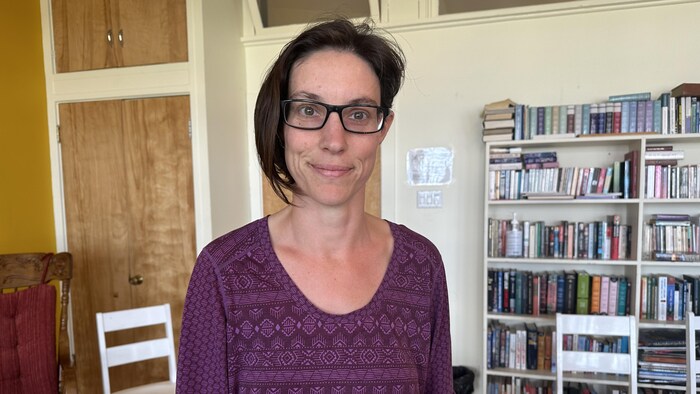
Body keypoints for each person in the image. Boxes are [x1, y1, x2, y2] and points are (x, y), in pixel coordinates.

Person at [177, 18, 453, 393]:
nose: (334, 141)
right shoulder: (222, 272)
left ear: (382, 128)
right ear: (281, 122)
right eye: (309, 110)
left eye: (358, 114)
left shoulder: (423, 266)